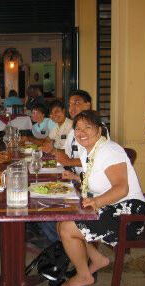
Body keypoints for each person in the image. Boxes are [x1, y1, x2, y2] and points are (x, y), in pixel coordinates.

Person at [56, 110, 145, 286]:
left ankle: (84, 275)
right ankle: (98, 259)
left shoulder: (110, 150)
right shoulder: (89, 151)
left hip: (128, 214)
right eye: (78, 128)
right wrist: (76, 178)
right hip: (112, 206)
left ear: (99, 131)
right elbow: (98, 178)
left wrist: (96, 202)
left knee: (67, 228)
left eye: (87, 127)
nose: (81, 132)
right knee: (60, 222)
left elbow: (122, 188)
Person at [39, 90, 92, 243]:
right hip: (72, 177)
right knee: (41, 200)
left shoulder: (96, 128)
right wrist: (53, 150)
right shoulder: (74, 129)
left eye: (77, 103)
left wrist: (68, 163)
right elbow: (67, 154)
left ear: (88, 105)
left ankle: (65, 246)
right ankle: (63, 244)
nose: (72, 108)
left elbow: (93, 160)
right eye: (70, 104)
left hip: (88, 185)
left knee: (44, 209)